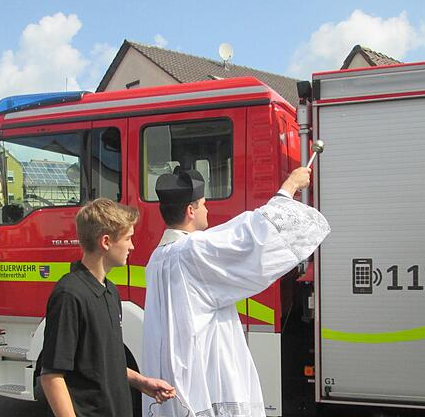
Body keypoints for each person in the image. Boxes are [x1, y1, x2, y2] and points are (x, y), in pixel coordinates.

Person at [141, 168, 330, 417]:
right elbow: (253, 236)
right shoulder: (190, 252)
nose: (207, 210)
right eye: (203, 204)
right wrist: (289, 187)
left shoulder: (157, 258)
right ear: (190, 211)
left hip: (174, 373)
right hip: (205, 370)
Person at [41, 198, 176, 417]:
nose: (132, 246)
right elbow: (52, 376)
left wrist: (142, 382)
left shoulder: (110, 292)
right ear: (106, 241)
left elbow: (102, 362)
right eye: (128, 238)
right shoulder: (69, 295)